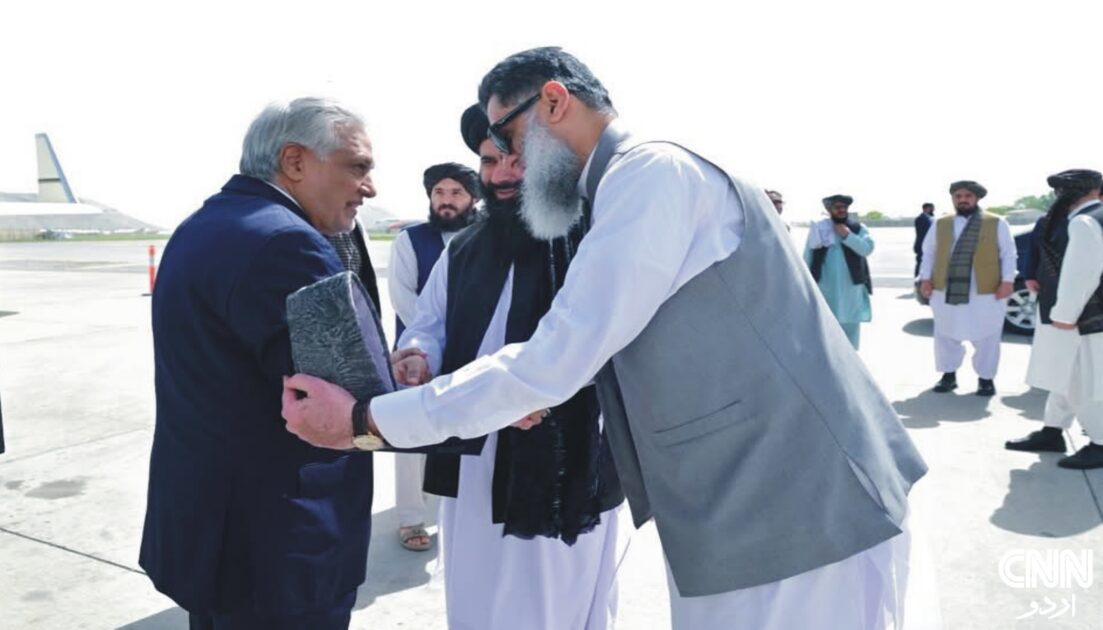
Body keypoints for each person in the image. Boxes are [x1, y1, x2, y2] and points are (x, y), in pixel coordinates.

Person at [283, 47, 932, 630]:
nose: (505, 165)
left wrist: (365, 422)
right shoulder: (614, 190)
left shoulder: (650, 177)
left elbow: (553, 362)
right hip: (739, 510)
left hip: (796, 510)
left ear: (555, 104)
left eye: (509, 138)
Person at [140, 97, 379, 629]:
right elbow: (359, 401)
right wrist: (487, 411)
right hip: (278, 552)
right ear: (295, 162)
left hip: (218, 535)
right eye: (357, 166)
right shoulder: (288, 245)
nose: (369, 187)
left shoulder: (208, 224)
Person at [396, 103, 622, 629]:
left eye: (514, 161)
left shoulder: (592, 237)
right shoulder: (467, 247)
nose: (500, 176)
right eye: (489, 162)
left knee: (557, 596)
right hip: (477, 451)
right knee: (479, 591)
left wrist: (536, 391)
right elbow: (431, 321)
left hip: (566, 451)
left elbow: (613, 338)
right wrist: (418, 355)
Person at [387, 162, 480, 552]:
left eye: (456, 193)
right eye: (439, 193)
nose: (446, 200)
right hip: (415, 355)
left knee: (458, 432)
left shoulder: (483, 239)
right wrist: (432, 343)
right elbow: (405, 299)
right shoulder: (410, 240)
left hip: (469, 354)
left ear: (473, 198)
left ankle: (448, 513)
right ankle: (410, 519)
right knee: (410, 438)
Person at [1008, 169, 1103, 469]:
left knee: (1082, 382)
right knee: (1061, 378)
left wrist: (1064, 314)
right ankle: (1052, 432)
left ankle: (1101, 444)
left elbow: (1082, 275)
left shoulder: (1086, 222)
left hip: (1081, 320)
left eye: (1061, 192)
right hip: (1078, 316)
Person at [918, 181, 1017, 396]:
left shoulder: (996, 222)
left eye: (967, 196)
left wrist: (1007, 281)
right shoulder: (940, 223)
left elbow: (1008, 254)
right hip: (946, 287)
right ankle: (948, 376)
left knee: (987, 335)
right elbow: (929, 253)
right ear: (953, 198)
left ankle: (986, 379)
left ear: (977, 198)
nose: (962, 199)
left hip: (985, 290)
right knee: (945, 333)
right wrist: (925, 279)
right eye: (958, 196)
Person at [804, 194, 874, 349]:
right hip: (826, 288)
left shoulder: (858, 228)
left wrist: (847, 235)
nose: (842, 210)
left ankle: (851, 367)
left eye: (844, 207)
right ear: (829, 210)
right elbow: (808, 256)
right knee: (827, 331)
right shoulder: (819, 229)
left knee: (851, 332)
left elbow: (866, 249)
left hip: (851, 291)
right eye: (837, 207)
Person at [914, 202, 935, 277]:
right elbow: (922, 233)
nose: (933, 210)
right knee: (920, 263)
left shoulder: (928, 218)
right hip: (921, 245)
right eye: (932, 208)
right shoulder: (921, 219)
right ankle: (917, 279)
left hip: (925, 244)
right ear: (926, 208)